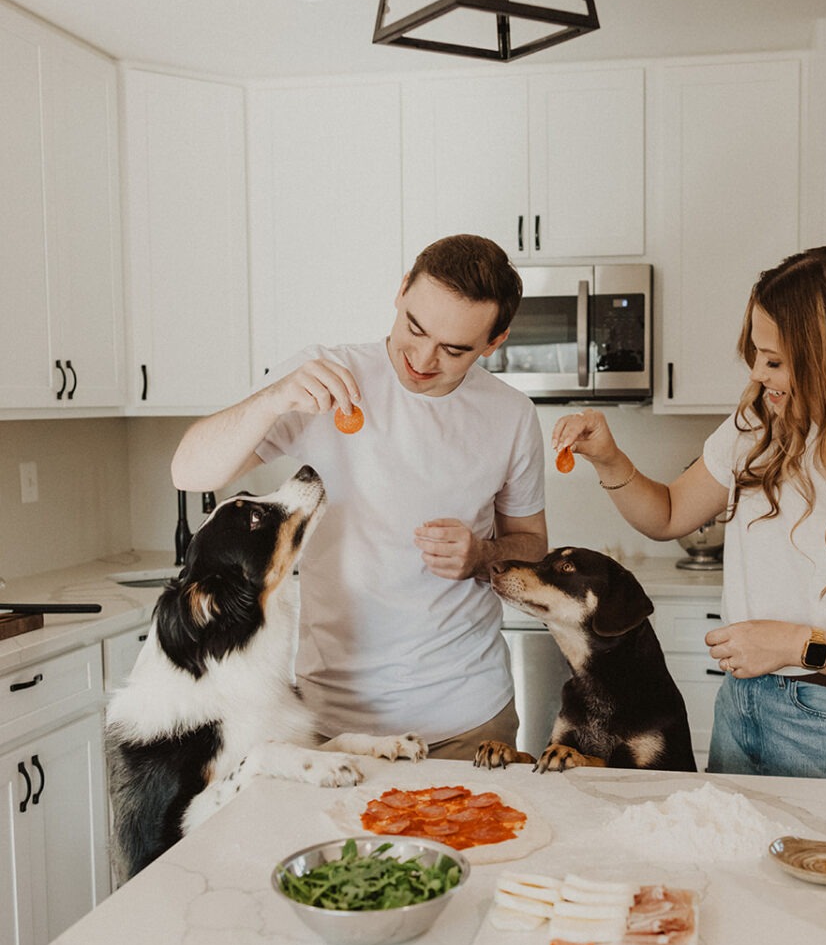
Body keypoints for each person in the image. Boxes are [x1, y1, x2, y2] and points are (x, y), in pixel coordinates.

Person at [551, 246, 826, 778]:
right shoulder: (760, 427)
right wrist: (609, 457)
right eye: (759, 355)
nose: (759, 374)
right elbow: (668, 515)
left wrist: (796, 645)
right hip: (742, 707)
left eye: (776, 360)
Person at [172, 234, 547, 760]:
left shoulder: (511, 416)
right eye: (415, 328)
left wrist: (483, 554)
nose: (422, 357)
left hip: (468, 718)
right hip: (332, 721)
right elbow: (189, 469)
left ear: (494, 341)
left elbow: (532, 546)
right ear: (400, 292)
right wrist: (275, 396)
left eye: (454, 349)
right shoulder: (324, 376)